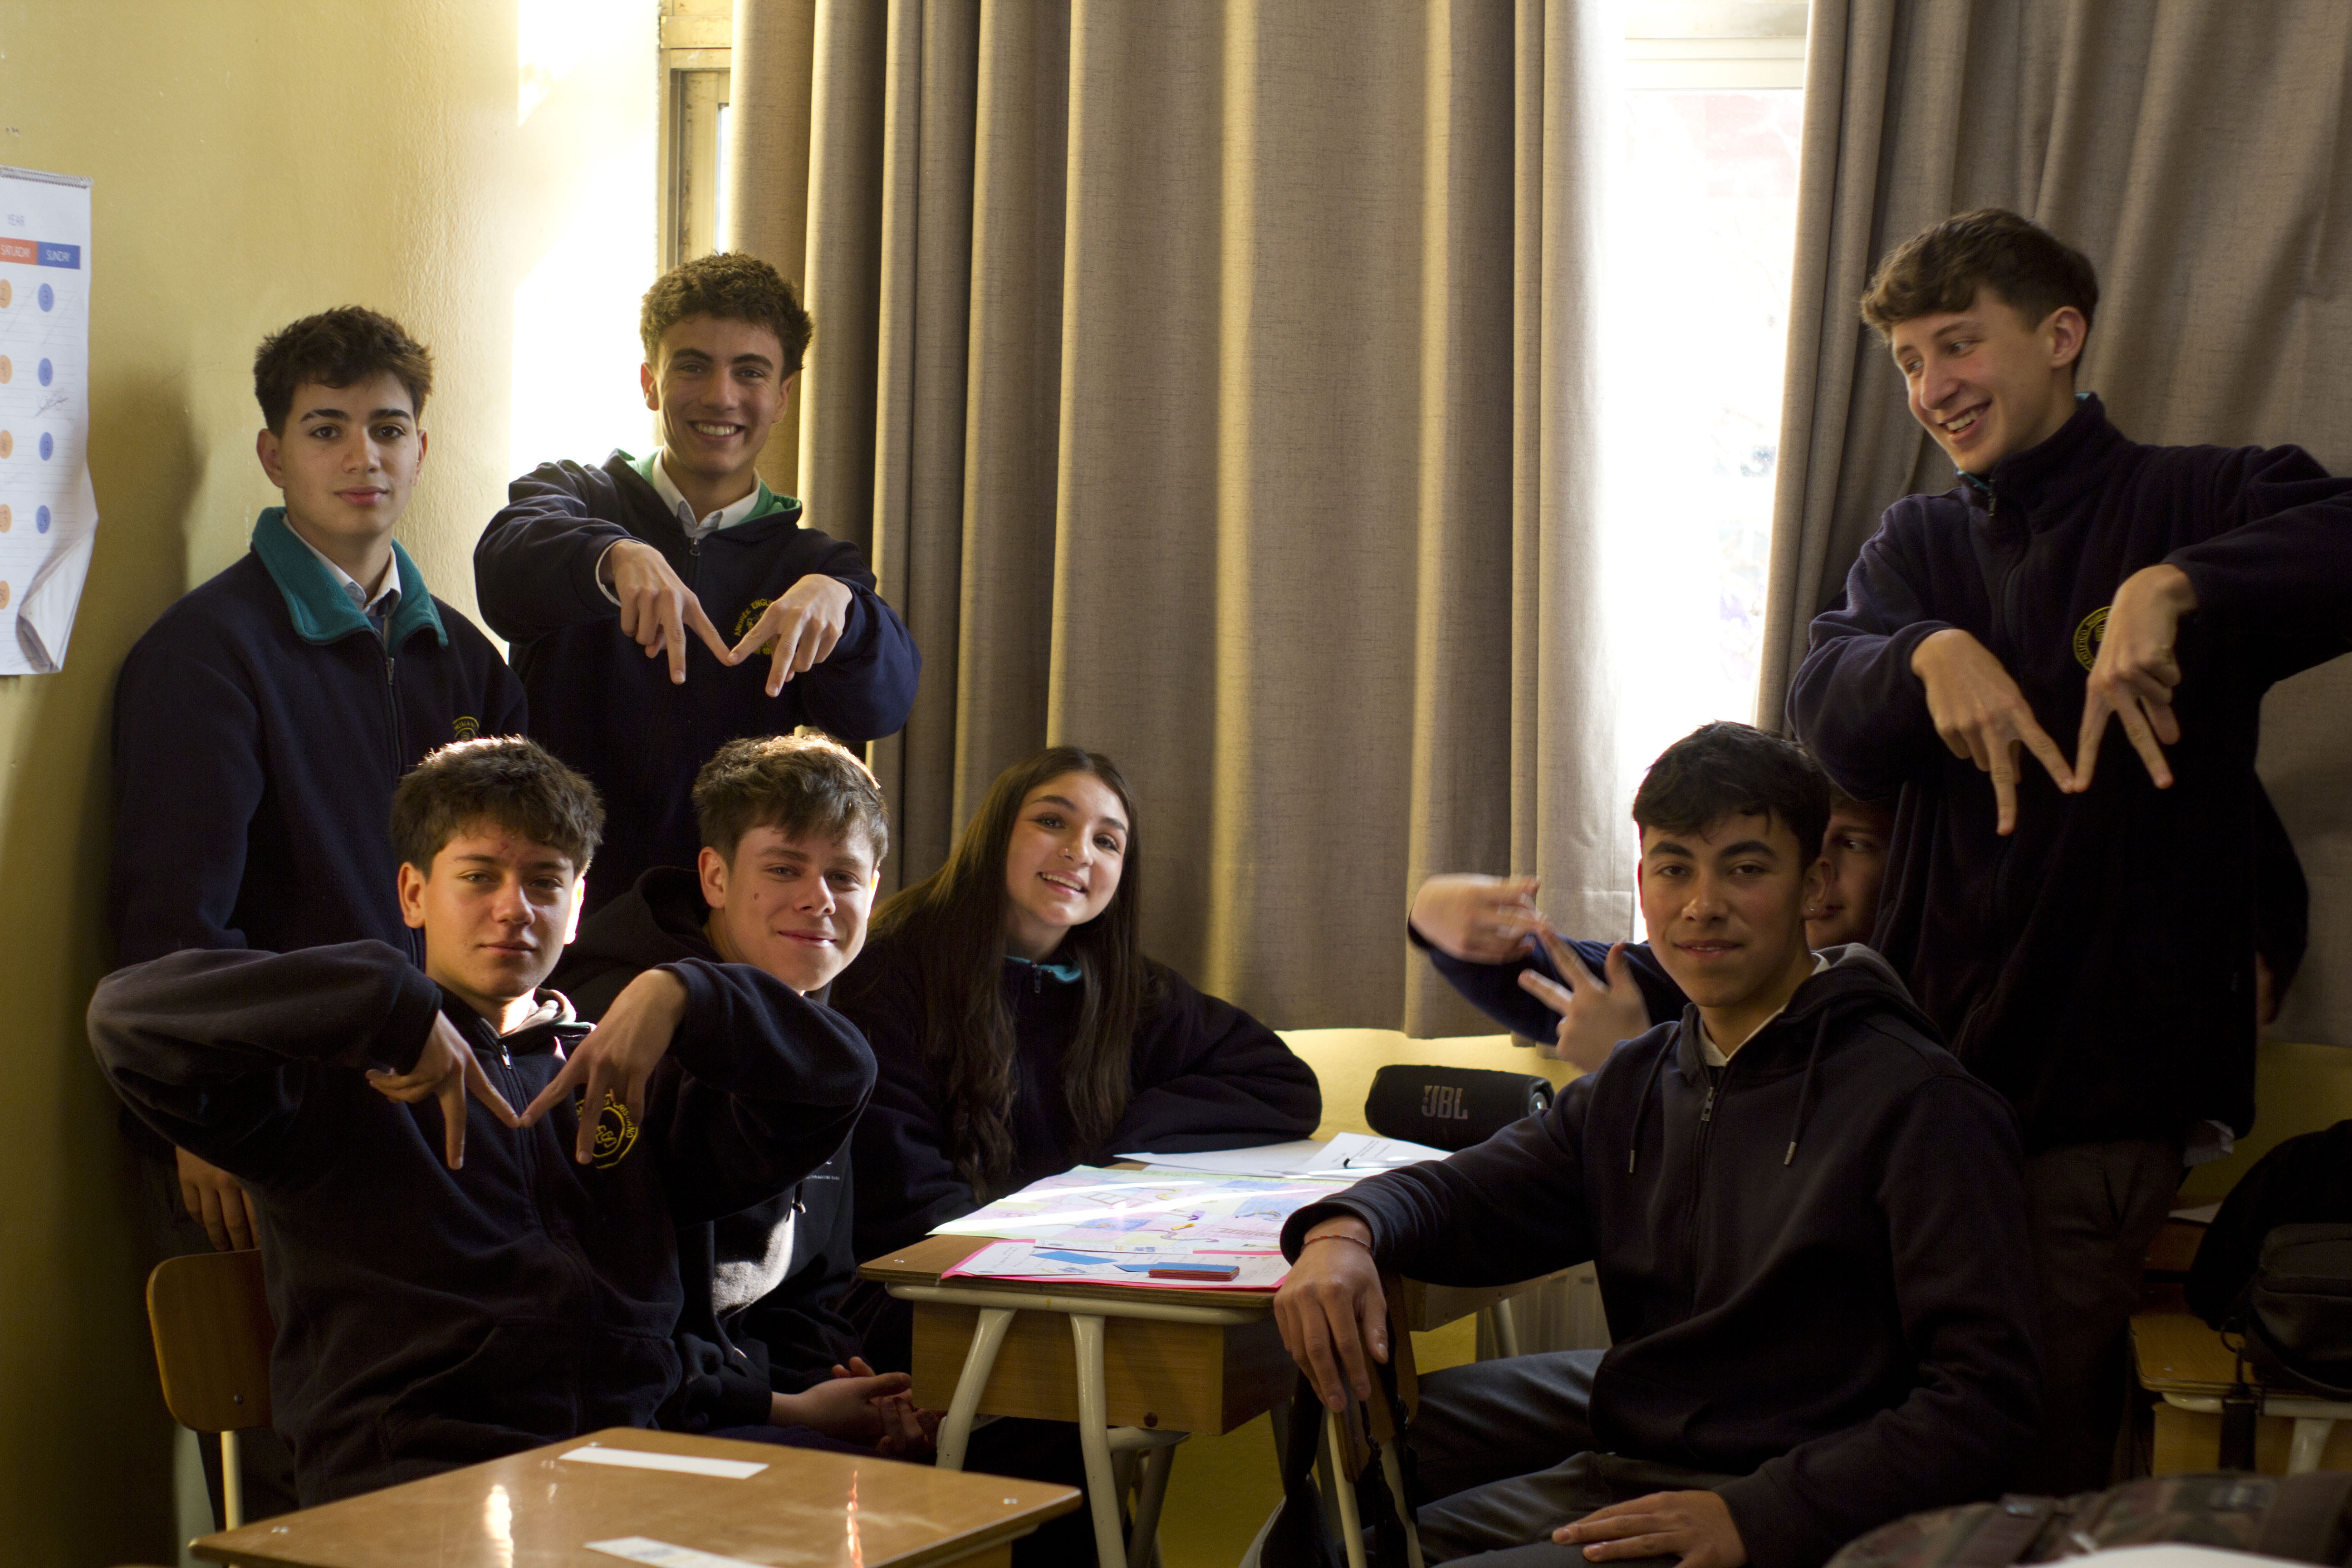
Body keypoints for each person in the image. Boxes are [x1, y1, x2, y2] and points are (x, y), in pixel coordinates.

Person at [1785, 207, 2352, 1490]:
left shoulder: (2194, 496)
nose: (1933, 387)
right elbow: (1825, 703)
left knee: (2025, 1445)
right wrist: (1924, 654)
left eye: (1957, 344)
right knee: (1880, 1427)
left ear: (2058, 336)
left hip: (2100, 1102)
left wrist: (2177, 585)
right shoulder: (1917, 545)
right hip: (1917, 1092)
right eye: (1909, 362)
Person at [1276, 723, 2039, 1568]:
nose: (1701, 905)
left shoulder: (1922, 1103)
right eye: (1675, 869)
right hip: (1634, 1459)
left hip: (1794, 1511)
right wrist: (1344, 1230)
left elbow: (1986, 1405)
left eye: (1744, 870)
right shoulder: (1642, 1076)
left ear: (1812, 885)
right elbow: (1475, 1192)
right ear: (1642, 883)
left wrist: (1762, 1515)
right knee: (1310, 1536)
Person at [88, 737, 877, 1505]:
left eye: (544, 881)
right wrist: (391, 1006)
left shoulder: (618, 1077)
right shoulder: (333, 1080)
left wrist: (688, 993)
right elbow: (126, 1021)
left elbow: (838, 1080)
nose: (513, 909)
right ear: (413, 894)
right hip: (412, 1486)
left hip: (622, 1471)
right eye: (478, 877)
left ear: (577, 907)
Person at [104, 306, 528, 1519]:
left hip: (440, 1115)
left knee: (442, 1456)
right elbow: (171, 926)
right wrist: (200, 1127)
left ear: (423, 449)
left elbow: (519, 888)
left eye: (387, 429)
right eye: (327, 429)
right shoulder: (206, 654)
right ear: (272, 454)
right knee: (304, 1465)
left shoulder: (465, 662)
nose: (363, 457)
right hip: (272, 1124)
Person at [474, 251, 920, 912]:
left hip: (720, 919)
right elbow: (503, 573)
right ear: (650, 383)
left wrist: (848, 610)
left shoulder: (814, 564)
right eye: (692, 366)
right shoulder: (574, 495)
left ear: (783, 396)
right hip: (551, 900)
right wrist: (612, 556)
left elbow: (880, 709)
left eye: (750, 372)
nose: (720, 396)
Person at [551, 733, 924, 1454]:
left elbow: (813, 1289)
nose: (818, 900)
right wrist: (792, 1409)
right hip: (657, 1416)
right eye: (784, 869)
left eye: (844, 877)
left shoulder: (814, 1027)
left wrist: (846, 1387)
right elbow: (619, 1314)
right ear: (715, 878)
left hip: (758, 1393)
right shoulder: (622, 1025)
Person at [1409, 790, 1894, 1072]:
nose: (1704, 908)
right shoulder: (1699, 968)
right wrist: (1432, 913)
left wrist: (1633, 1068)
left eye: (1855, 844)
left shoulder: (1894, 1050)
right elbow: (1540, 974)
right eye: (1676, 870)